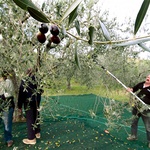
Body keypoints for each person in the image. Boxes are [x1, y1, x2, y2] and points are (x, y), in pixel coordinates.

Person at [17, 68, 43, 145]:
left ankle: (31, 139)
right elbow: (41, 90)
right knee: (36, 115)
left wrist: (19, 105)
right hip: (36, 101)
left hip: (28, 102)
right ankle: (37, 133)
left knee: (30, 119)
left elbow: (21, 93)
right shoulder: (38, 79)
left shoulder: (25, 80)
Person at [126, 74, 150, 148]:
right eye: (148, 76)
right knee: (133, 122)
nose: (148, 78)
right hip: (136, 107)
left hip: (145, 109)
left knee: (148, 126)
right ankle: (133, 136)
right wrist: (130, 90)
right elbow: (133, 89)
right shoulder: (141, 84)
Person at [0, 71, 15, 147]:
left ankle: (8, 139)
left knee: (7, 124)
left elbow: (10, 93)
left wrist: (1, 96)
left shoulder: (8, 81)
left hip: (7, 105)